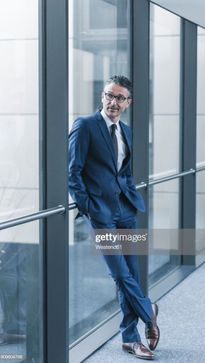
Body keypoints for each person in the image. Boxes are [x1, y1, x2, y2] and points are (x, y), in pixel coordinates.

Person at [68, 75, 160, 360]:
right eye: (109, 95)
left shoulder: (127, 131)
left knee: (130, 273)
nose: (113, 101)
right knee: (118, 273)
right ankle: (149, 313)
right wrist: (88, 207)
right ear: (102, 96)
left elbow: (126, 171)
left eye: (120, 98)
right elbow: (73, 171)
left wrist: (129, 194)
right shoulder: (85, 126)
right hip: (102, 214)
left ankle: (129, 339)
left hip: (126, 211)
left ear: (128, 103)